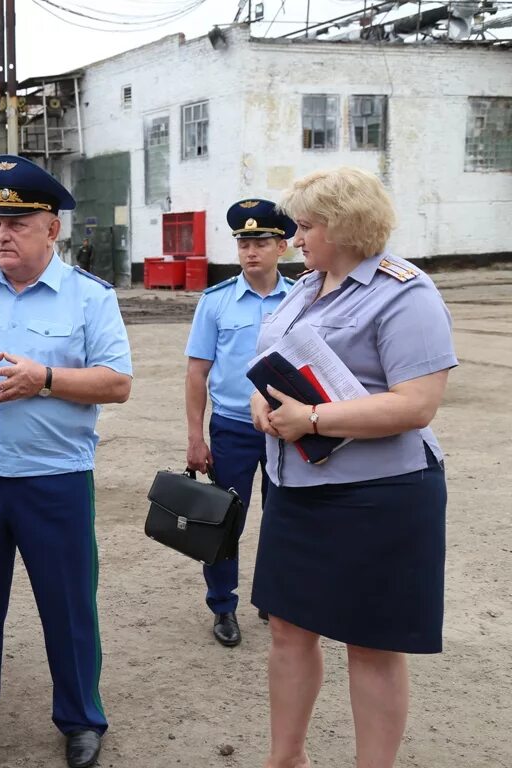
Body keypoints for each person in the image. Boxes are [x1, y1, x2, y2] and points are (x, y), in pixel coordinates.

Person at [0, 155, 133, 768]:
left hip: (54, 479)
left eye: (18, 221)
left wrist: (43, 379)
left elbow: (117, 382)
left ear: (52, 229)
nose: (3, 234)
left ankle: (80, 718)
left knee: (67, 603)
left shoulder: (88, 299)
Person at [249, 167, 456, 768]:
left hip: (380, 495)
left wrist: (311, 421)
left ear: (343, 227)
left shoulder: (405, 292)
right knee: (289, 630)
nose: (295, 238)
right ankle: (285, 759)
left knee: (370, 644)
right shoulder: (304, 286)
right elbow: (273, 361)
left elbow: (416, 404)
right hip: (298, 489)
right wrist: (264, 401)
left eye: (306, 226)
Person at [184, 198, 296, 648]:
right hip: (232, 428)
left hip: (289, 428)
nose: (251, 251)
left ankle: (274, 595)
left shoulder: (302, 298)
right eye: (244, 242)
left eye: (261, 241)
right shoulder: (215, 303)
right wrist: (195, 435)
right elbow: (197, 372)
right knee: (225, 519)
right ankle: (222, 605)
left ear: (281, 247)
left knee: (285, 516)